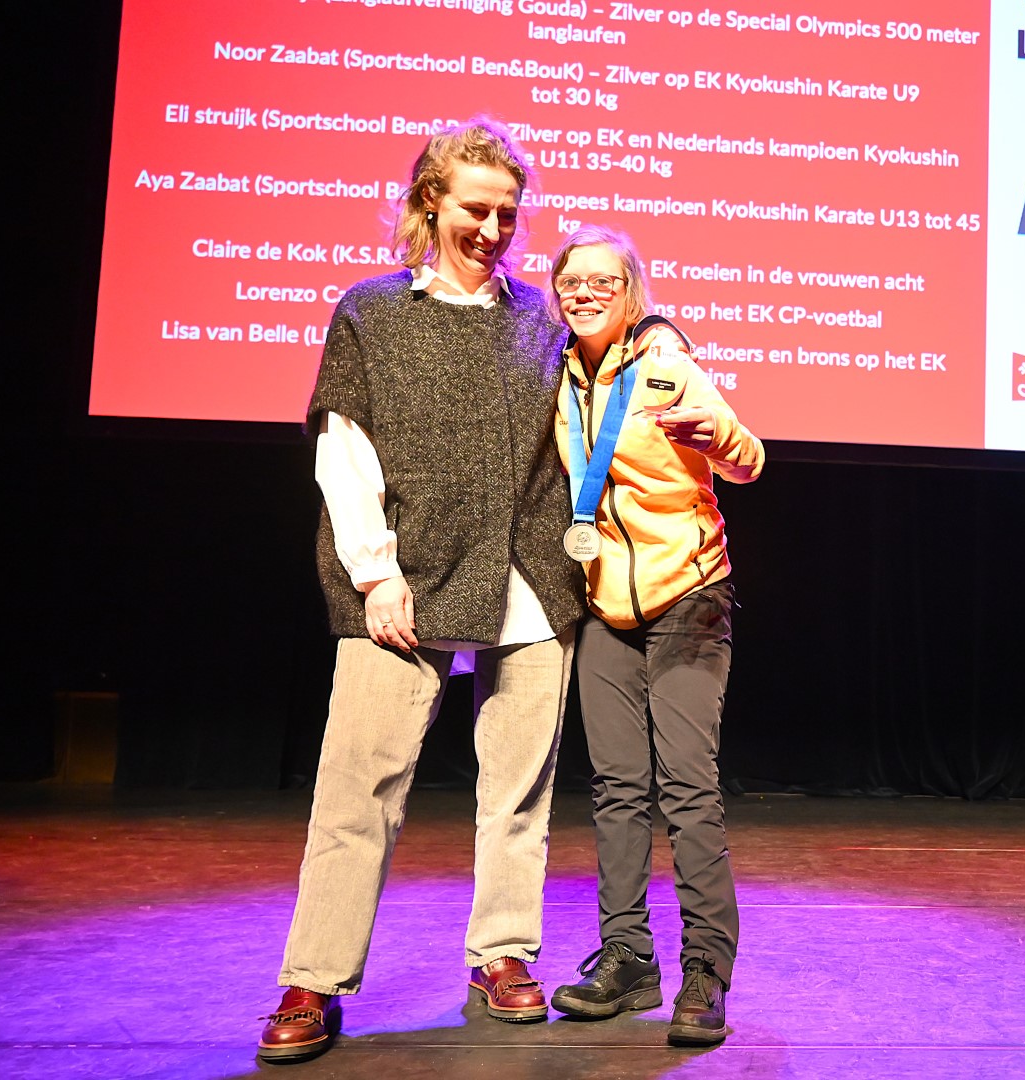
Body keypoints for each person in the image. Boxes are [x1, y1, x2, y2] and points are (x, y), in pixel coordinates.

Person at [257, 117, 585, 1064]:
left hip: (530, 578)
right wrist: (375, 574)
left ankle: (503, 955)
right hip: (402, 580)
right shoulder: (372, 311)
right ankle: (314, 979)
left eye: (508, 214)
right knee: (358, 787)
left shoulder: (541, 320)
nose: (492, 230)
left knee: (519, 790)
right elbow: (342, 453)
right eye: (475, 209)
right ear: (431, 201)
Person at [544, 226, 764, 1046]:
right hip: (605, 605)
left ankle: (705, 970)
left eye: (604, 281)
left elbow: (750, 459)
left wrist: (719, 439)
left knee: (687, 789)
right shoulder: (556, 376)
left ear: (632, 291)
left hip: (689, 597)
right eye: (572, 282)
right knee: (617, 789)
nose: (586, 293)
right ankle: (628, 961)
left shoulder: (666, 366)